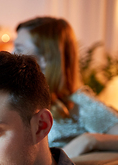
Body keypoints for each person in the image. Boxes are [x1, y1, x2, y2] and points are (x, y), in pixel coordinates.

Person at [14, 17, 118, 157]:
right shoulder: (20, 98)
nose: (10, 53)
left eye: (19, 48)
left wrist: (89, 140)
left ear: (45, 58)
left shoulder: (80, 103)